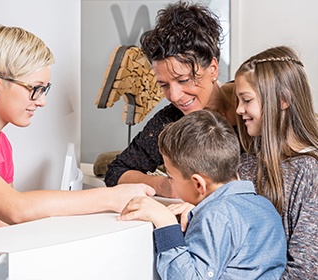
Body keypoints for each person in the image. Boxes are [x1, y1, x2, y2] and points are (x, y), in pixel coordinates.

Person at [0, 24, 155, 237]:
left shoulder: (1, 146)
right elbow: (14, 209)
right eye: (35, 89)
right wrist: (111, 197)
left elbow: (3, 229)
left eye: (44, 90)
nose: (42, 101)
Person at [119, 110, 287, 279]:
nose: (169, 181)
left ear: (198, 183)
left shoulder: (215, 216)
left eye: (170, 176)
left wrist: (166, 223)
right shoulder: (265, 206)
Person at [104, 1, 236, 197]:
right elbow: (116, 172)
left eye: (183, 80)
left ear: (213, 69)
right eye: (164, 85)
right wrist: (161, 185)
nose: (174, 96)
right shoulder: (170, 120)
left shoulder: (250, 104)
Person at [234, 45, 318, 279]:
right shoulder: (245, 164)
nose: (239, 110)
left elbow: (305, 270)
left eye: (247, 100)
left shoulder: (309, 171)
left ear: (283, 100)